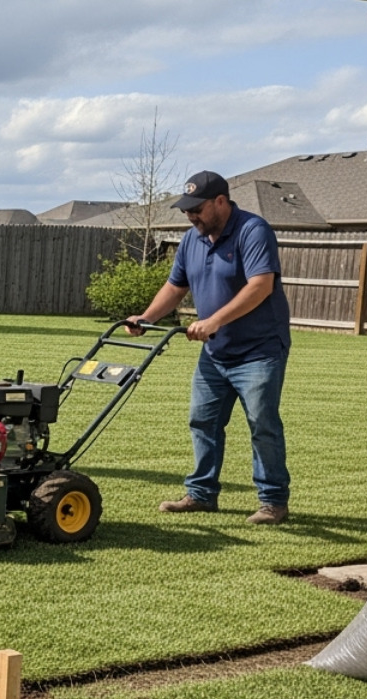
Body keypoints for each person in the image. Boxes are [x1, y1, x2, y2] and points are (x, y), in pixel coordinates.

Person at [129, 170, 292, 526]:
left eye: (196, 209)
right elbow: (176, 287)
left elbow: (261, 286)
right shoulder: (192, 239)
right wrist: (146, 318)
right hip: (216, 353)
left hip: (259, 350)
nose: (190, 215)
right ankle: (201, 495)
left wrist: (215, 320)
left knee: (262, 423)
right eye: (186, 209)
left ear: (220, 201)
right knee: (202, 420)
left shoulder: (253, 230)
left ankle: (273, 502)